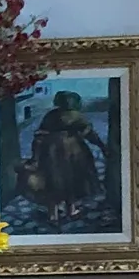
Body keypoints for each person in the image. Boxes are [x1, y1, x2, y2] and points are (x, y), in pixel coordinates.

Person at [26, 91, 105, 226]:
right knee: (72, 181)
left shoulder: (50, 116)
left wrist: (36, 157)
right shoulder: (77, 116)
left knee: (53, 181)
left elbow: (40, 135)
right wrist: (102, 146)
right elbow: (90, 134)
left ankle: (53, 215)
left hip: (51, 152)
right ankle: (71, 210)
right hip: (74, 151)